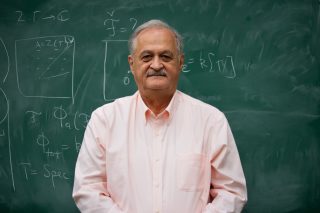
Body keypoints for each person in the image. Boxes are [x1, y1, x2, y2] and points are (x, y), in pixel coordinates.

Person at [72, 19, 247, 213]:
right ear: (132, 64)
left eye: (165, 56)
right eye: (147, 57)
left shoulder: (211, 121)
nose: (156, 65)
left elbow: (231, 193)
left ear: (180, 62)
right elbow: (88, 190)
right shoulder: (105, 121)